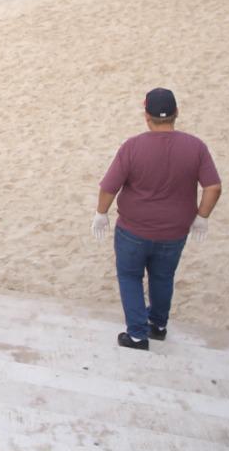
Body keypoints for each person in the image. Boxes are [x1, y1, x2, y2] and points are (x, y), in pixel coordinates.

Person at [92, 88, 221, 350]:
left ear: (146, 116)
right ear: (177, 113)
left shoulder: (132, 146)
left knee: (130, 277)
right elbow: (213, 187)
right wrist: (202, 216)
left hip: (133, 230)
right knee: (163, 277)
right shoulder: (196, 147)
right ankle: (158, 326)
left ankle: (137, 335)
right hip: (175, 231)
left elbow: (109, 187)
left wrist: (101, 213)